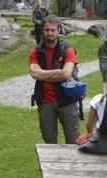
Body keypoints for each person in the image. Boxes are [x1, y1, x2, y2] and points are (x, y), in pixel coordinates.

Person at [30, 15, 81, 144]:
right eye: (47, 30)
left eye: (53, 30)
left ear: (58, 31)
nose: (50, 33)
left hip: (67, 101)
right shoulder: (35, 51)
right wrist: (57, 72)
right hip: (45, 102)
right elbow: (34, 74)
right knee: (49, 141)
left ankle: (72, 164)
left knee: (73, 140)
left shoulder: (68, 49)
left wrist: (44, 74)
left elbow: (66, 75)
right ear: (43, 31)